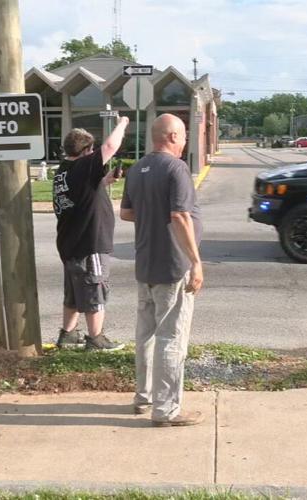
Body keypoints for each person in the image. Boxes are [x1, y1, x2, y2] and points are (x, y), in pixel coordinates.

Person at [120, 114, 204, 427]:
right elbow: (180, 216)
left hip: (145, 263)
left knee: (146, 334)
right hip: (172, 264)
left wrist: (151, 213)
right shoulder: (176, 168)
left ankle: (143, 398)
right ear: (172, 136)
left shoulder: (136, 169)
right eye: (183, 136)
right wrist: (195, 261)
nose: (185, 142)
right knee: (171, 337)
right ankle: (166, 410)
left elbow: (126, 212)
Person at [52, 116, 130, 351]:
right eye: (92, 150)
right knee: (95, 286)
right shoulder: (82, 166)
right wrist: (123, 123)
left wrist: (104, 181)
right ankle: (96, 339)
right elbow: (110, 146)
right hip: (89, 242)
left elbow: (81, 193)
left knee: (74, 292)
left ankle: (68, 334)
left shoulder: (64, 171)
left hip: (70, 243)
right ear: (87, 151)